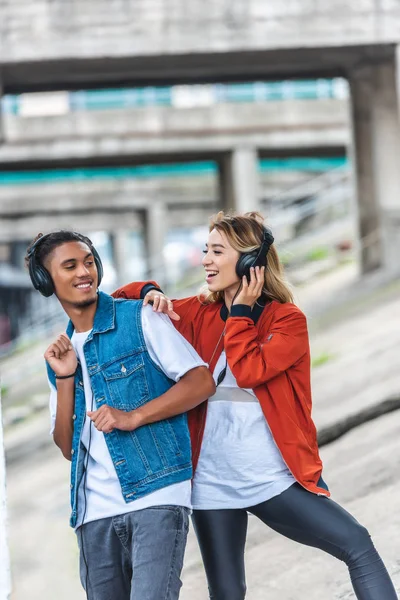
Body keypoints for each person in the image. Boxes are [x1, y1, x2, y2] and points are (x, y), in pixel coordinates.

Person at [115, 211, 398, 600]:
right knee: (228, 591)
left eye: (218, 251)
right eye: (205, 251)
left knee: (357, 544)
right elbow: (118, 302)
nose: (207, 261)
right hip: (211, 482)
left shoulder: (287, 321)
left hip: (271, 478)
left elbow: (249, 370)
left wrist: (243, 312)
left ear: (250, 263)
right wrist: (149, 290)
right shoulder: (197, 313)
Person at [26, 230, 215, 600]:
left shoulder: (140, 319)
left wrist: (135, 416)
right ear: (46, 281)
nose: (84, 272)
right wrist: (65, 377)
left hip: (156, 493)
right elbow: (67, 446)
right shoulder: (58, 357)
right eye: (70, 266)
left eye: (89, 261)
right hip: (93, 512)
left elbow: (200, 381)